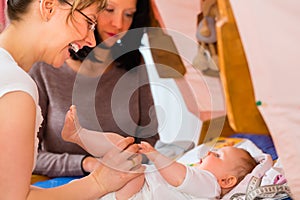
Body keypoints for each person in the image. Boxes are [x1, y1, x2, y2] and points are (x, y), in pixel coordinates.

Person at [0, 0, 145, 199]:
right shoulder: (17, 89)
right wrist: (98, 182)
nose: (91, 40)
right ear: (48, 7)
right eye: (89, 22)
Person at [29, 0, 160, 178]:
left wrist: (132, 160)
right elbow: (25, 156)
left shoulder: (134, 64)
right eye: (109, 9)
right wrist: (87, 164)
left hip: (124, 182)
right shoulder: (44, 67)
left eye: (128, 14)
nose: (119, 24)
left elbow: (149, 138)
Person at [64, 105, 258, 199]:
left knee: (129, 158)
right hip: (134, 190)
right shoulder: (203, 180)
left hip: (139, 193)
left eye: (217, 155)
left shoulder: (210, 186)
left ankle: (80, 135)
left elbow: (178, 178)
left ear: (226, 181)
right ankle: (80, 135)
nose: (208, 154)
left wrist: (156, 156)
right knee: (124, 148)